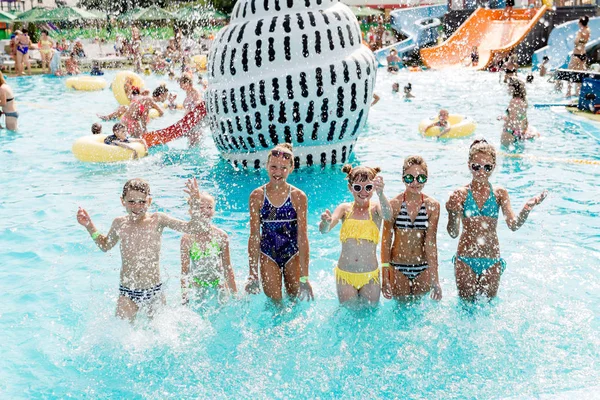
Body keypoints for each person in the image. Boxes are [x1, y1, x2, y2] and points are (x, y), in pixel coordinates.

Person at [76, 178, 204, 321]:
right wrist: (89, 226)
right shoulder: (119, 223)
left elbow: (193, 228)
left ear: (149, 201)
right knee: (121, 335)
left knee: (157, 336)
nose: (137, 206)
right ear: (122, 201)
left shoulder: (158, 220)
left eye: (142, 202)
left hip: (154, 291)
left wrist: (195, 202)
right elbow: (105, 245)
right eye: (131, 201)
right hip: (127, 292)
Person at [446, 139, 548, 300]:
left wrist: (527, 208)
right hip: (466, 259)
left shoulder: (500, 193)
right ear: (469, 165)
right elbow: (453, 232)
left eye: (487, 167)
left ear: (494, 166)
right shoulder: (461, 194)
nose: (482, 171)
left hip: (492, 260)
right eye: (476, 167)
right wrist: (451, 212)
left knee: (488, 308)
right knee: (465, 308)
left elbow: (513, 225)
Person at [245, 144, 314, 302]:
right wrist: (252, 273)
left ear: (291, 168)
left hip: (292, 253)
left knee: (294, 300)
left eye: (283, 168)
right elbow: (254, 235)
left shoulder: (298, 197)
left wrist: (305, 278)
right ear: (266, 166)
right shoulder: (257, 196)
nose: (277, 172)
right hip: (268, 253)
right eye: (273, 166)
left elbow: (302, 237)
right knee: (275, 304)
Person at [319, 165, 392, 305]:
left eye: (368, 187)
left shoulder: (376, 208)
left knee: (370, 316)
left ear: (373, 188)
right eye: (358, 187)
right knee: (348, 316)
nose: (363, 192)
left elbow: (388, 215)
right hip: (346, 275)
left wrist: (381, 193)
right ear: (350, 188)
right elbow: (324, 230)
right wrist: (326, 223)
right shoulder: (344, 209)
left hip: (370, 275)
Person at [382, 156, 442, 301]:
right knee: (400, 313)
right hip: (398, 267)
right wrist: (384, 276)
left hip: (423, 267)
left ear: (426, 179)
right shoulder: (394, 205)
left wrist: (435, 280)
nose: (415, 182)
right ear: (403, 179)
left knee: (420, 315)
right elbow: (385, 242)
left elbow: (431, 243)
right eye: (409, 178)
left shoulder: (432, 206)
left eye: (420, 178)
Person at [180, 192, 237, 305]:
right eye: (201, 207)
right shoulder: (187, 239)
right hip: (197, 283)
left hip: (218, 283)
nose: (206, 210)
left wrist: (235, 294)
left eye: (209, 207)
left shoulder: (221, 236)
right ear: (191, 212)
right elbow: (184, 272)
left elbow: (227, 268)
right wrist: (184, 297)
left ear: (214, 211)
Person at [499, 78, 537, 147]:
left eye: (509, 86)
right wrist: (523, 133)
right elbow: (524, 120)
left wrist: (502, 117)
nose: (507, 88)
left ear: (514, 88)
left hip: (509, 132)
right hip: (518, 133)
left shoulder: (513, 101)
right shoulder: (523, 101)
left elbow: (511, 119)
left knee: (505, 155)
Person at [566, 16, 591, 97]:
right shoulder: (588, 30)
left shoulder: (580, 31)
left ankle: (568, 92)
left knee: (570, 73)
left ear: (580, 23)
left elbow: (576, 42)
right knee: (580, 74)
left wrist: (576, 41)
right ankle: (578, 92)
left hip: (576, 54)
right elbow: (584, 41)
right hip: (583, 54)